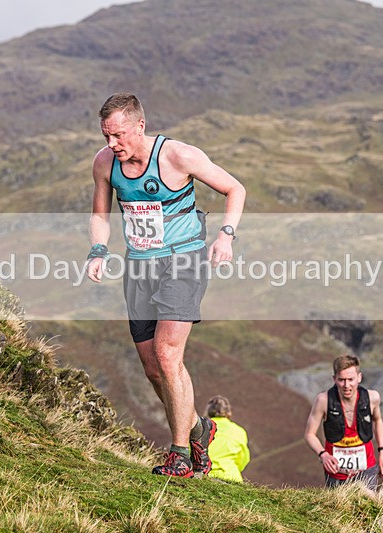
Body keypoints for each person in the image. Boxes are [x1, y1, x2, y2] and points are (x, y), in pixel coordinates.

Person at [86, 92, 245, 477]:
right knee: (153, 368)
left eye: (119, 135)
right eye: (106, 135)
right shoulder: (105, 163)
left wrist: (225, 235)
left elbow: (235, 189)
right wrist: (97, 250)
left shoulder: (178, 156)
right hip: (139, 267)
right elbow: (100, 215)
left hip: (184, 260)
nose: (112, 144)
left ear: (140, 125)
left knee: (167, 353)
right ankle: (198, 429)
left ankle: (180, 455)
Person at [304, 355, 383, 490]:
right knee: (338, 509)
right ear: (334, 379)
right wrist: (323, 455)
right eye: (341, 380)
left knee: (367, 507)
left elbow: (377, 420)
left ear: (359, 377)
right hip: (336, 471)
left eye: (351, 379)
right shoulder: (323, 400)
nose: (346, 385)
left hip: (366, 468)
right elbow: (309, 434)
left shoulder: (372, 397)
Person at [205, 395, 250, 482]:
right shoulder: (239, 431)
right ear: (228, 412)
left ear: (208, 411)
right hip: (231, 477)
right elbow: (243, 459)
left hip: (204, 475)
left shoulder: (201, 428)